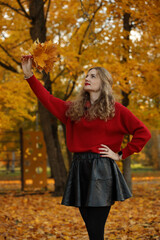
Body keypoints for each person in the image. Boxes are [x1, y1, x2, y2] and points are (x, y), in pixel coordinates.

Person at [21, 56, 151, 240]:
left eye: (94, 76)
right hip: (79, 168)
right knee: (91, 228)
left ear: (104, 82)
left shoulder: (116, 110)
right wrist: (29, 75)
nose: (87, 78)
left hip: (102, 170)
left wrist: (121, 154)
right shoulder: (74, 109)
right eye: (87, 75)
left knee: (96, 227)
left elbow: (143, 133)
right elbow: (47, 99)